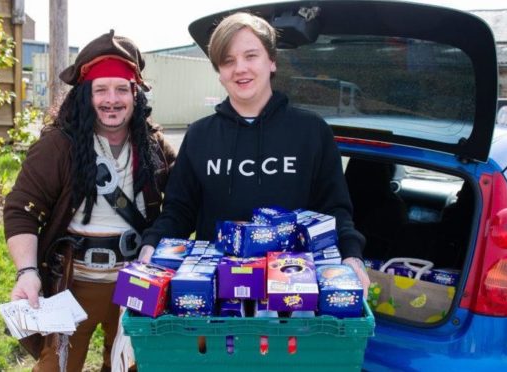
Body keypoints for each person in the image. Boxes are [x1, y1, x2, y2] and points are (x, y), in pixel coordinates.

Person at [139, 12, 370, 294]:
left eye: (251, 56)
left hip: (296, 291)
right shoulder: (200, 135)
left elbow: (335, 209)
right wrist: (152, 245)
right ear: (219, 72)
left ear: (271, 61)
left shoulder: (312, 131)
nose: (240, 69)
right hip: (217, 296)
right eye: (228, 61)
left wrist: (351, 255)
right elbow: (179, 211)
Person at [3, 30, 176, 371]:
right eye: (101, 89)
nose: (112, 99)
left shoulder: (154, 144)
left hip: (136, 285)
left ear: (135, 94)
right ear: (85, 95)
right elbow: (21, 210)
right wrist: (26, 271)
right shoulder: (57, 146)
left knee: (133, 367)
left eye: (121, 89)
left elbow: (183, 203)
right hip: (71, 283)